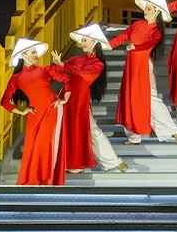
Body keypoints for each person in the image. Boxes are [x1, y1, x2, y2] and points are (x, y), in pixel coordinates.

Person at [108, 0, 177, 144]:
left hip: (143, 65)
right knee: (129, 97)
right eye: (146, 9)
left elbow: (150, 42)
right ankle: (133, 135)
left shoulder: (156, 31)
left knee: (151, 98)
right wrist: (107, 45)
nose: (145, 11)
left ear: (156, 11)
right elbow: (123, 36)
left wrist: (136, 47)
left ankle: (173, 129)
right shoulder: (137, 25)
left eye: (149, 9)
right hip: (132, 65)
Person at [54, 24, 127, 173]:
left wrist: (63, 65)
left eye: (85, 40)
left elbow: (83, 75)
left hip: (80, 99)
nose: (82, 44)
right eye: (82, 41)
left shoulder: (97, 64)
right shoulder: (78, 59)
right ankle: (71, 163)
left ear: (95, 42)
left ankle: (112, 161)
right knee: (68, 129)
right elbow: (60, 69)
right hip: (67, 96)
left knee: (91, 130)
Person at [0, 38, 70, 185]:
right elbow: (4, 101)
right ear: (23, 55)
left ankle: (47, 180)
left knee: (46, 146)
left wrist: (64, 99)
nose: (36, 55)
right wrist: (22, 111)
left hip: (52, 110)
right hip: (34, 114)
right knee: (32, 148)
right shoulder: (16, 78)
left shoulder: (44, 69)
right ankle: (33, 180)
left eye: (36, 52)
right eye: (33, 52)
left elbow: (68, 81)